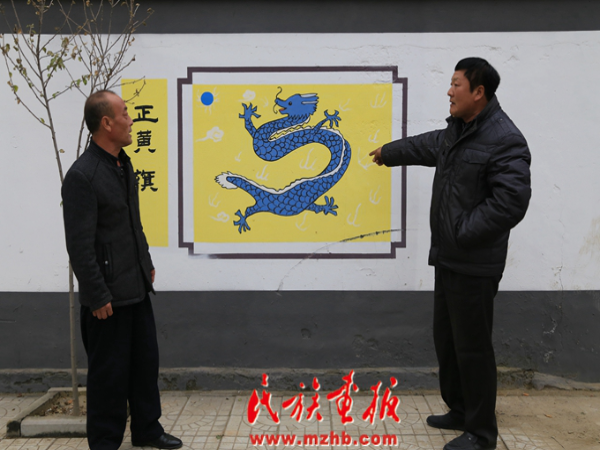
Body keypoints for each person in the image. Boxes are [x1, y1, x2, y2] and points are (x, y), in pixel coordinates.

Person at [370, 58, 531, 450]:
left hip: (474, 263)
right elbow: (425, 145)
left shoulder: (505, 139)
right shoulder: (457, 131)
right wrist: (389, 152)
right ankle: (460, 410)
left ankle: (481, 432)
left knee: (473, 347)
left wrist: (462, 232)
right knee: (448, 340)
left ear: (479, 92)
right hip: (449, 259)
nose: (449, 91)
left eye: (456, 84)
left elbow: (511, 202)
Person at [62, 90, 182, 450]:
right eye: (125, 114)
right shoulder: (83, 176)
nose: (131, 121)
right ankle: (104, 442)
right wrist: (97, 294)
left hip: (135, 287)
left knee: (145, 365)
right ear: (107, 123)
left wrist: (146, 263)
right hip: (107, 299)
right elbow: (79, 245)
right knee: (109, 376)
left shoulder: (122, 164)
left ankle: (147, 430)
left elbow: (132, 223)